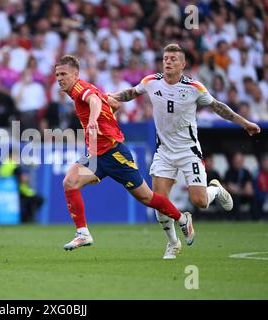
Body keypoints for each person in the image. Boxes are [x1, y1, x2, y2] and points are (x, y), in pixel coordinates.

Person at [109, 44, 261, 259]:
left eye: (173, 58)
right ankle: (173, 243)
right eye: (165, 58)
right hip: (164, 151)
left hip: (188, 151)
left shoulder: (194, 88)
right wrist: (107, 97)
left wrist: (244, 123)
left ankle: (215, 189)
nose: (168, 61)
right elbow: (130, 93)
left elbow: (219, 107)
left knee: (200, 201)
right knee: (158, 201)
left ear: (183, 64)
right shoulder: (151, 82)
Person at [54, 55, 194, 251]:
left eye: (64, 74)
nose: (60, 78)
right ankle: (82, 233)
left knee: (147, 197)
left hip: (114, 153)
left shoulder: (80, 89)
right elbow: (114, 104)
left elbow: (94, 101)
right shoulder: (84, 89)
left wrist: (94, 120)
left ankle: (182, 218)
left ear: (75, 74)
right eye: (57, 74)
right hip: (96, 154)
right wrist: (105, 119)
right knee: (70, 182)